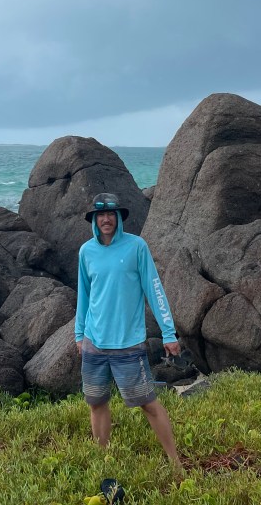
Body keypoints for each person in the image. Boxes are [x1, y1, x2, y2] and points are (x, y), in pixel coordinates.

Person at [74, 192, 184, 474]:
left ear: (119, 217)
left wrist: (168, 333)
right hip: (94, 343)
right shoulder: (86, 251)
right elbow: (84, 295)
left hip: (128, 344)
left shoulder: (137, 247)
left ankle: (175, 463)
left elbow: (154, 290)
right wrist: (79, 335)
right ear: (94, 219)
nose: (106, 219)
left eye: (111, 214)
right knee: (96, 403)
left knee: (148, 403)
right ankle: (103, 460)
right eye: (101, 215)